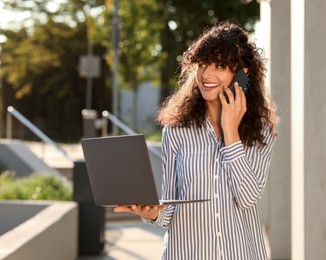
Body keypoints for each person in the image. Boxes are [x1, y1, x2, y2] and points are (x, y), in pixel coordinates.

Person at [114, 20, 278, 260]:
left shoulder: (260, 132)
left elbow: (248, 198)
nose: (206, 74)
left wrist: (230, 131)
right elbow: (168, 210)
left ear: (243, 76)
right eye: (202, 64)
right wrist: (150, 213)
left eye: (220, 65)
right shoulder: (176, 131)